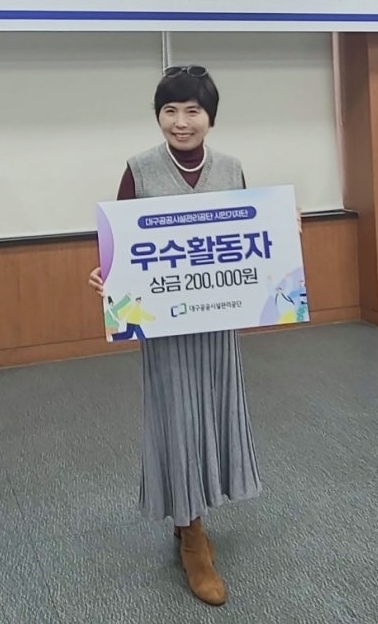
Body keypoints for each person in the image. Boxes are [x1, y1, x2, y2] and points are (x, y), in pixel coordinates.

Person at [88, 65, 262, 606]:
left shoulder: (231, 168)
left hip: (216, 321)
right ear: (158, 116)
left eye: (192, 110)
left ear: (210, 117)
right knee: (178, 420)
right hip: (163, 325)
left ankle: (195, 512)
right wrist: (107, 274)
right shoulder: (139, 170)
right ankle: (191, 534)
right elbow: (121, 245)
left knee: (213, 413)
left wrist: (284, 230)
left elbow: (249, 235)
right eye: (170, 110)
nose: (181, 122)